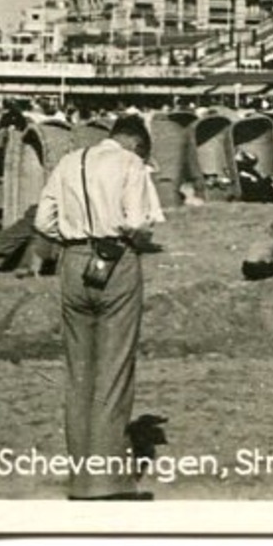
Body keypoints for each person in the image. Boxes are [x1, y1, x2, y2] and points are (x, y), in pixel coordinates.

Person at [34, 114, 164, 501]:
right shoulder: (131, 164)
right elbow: (138, 222)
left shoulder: (69, 161)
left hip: (72, 263)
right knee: (114, 369)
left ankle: (81, 477)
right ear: (138, 143)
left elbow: (43, 220)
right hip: (116, 260)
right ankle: (108, 482)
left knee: (80, 373)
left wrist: (76, 242)